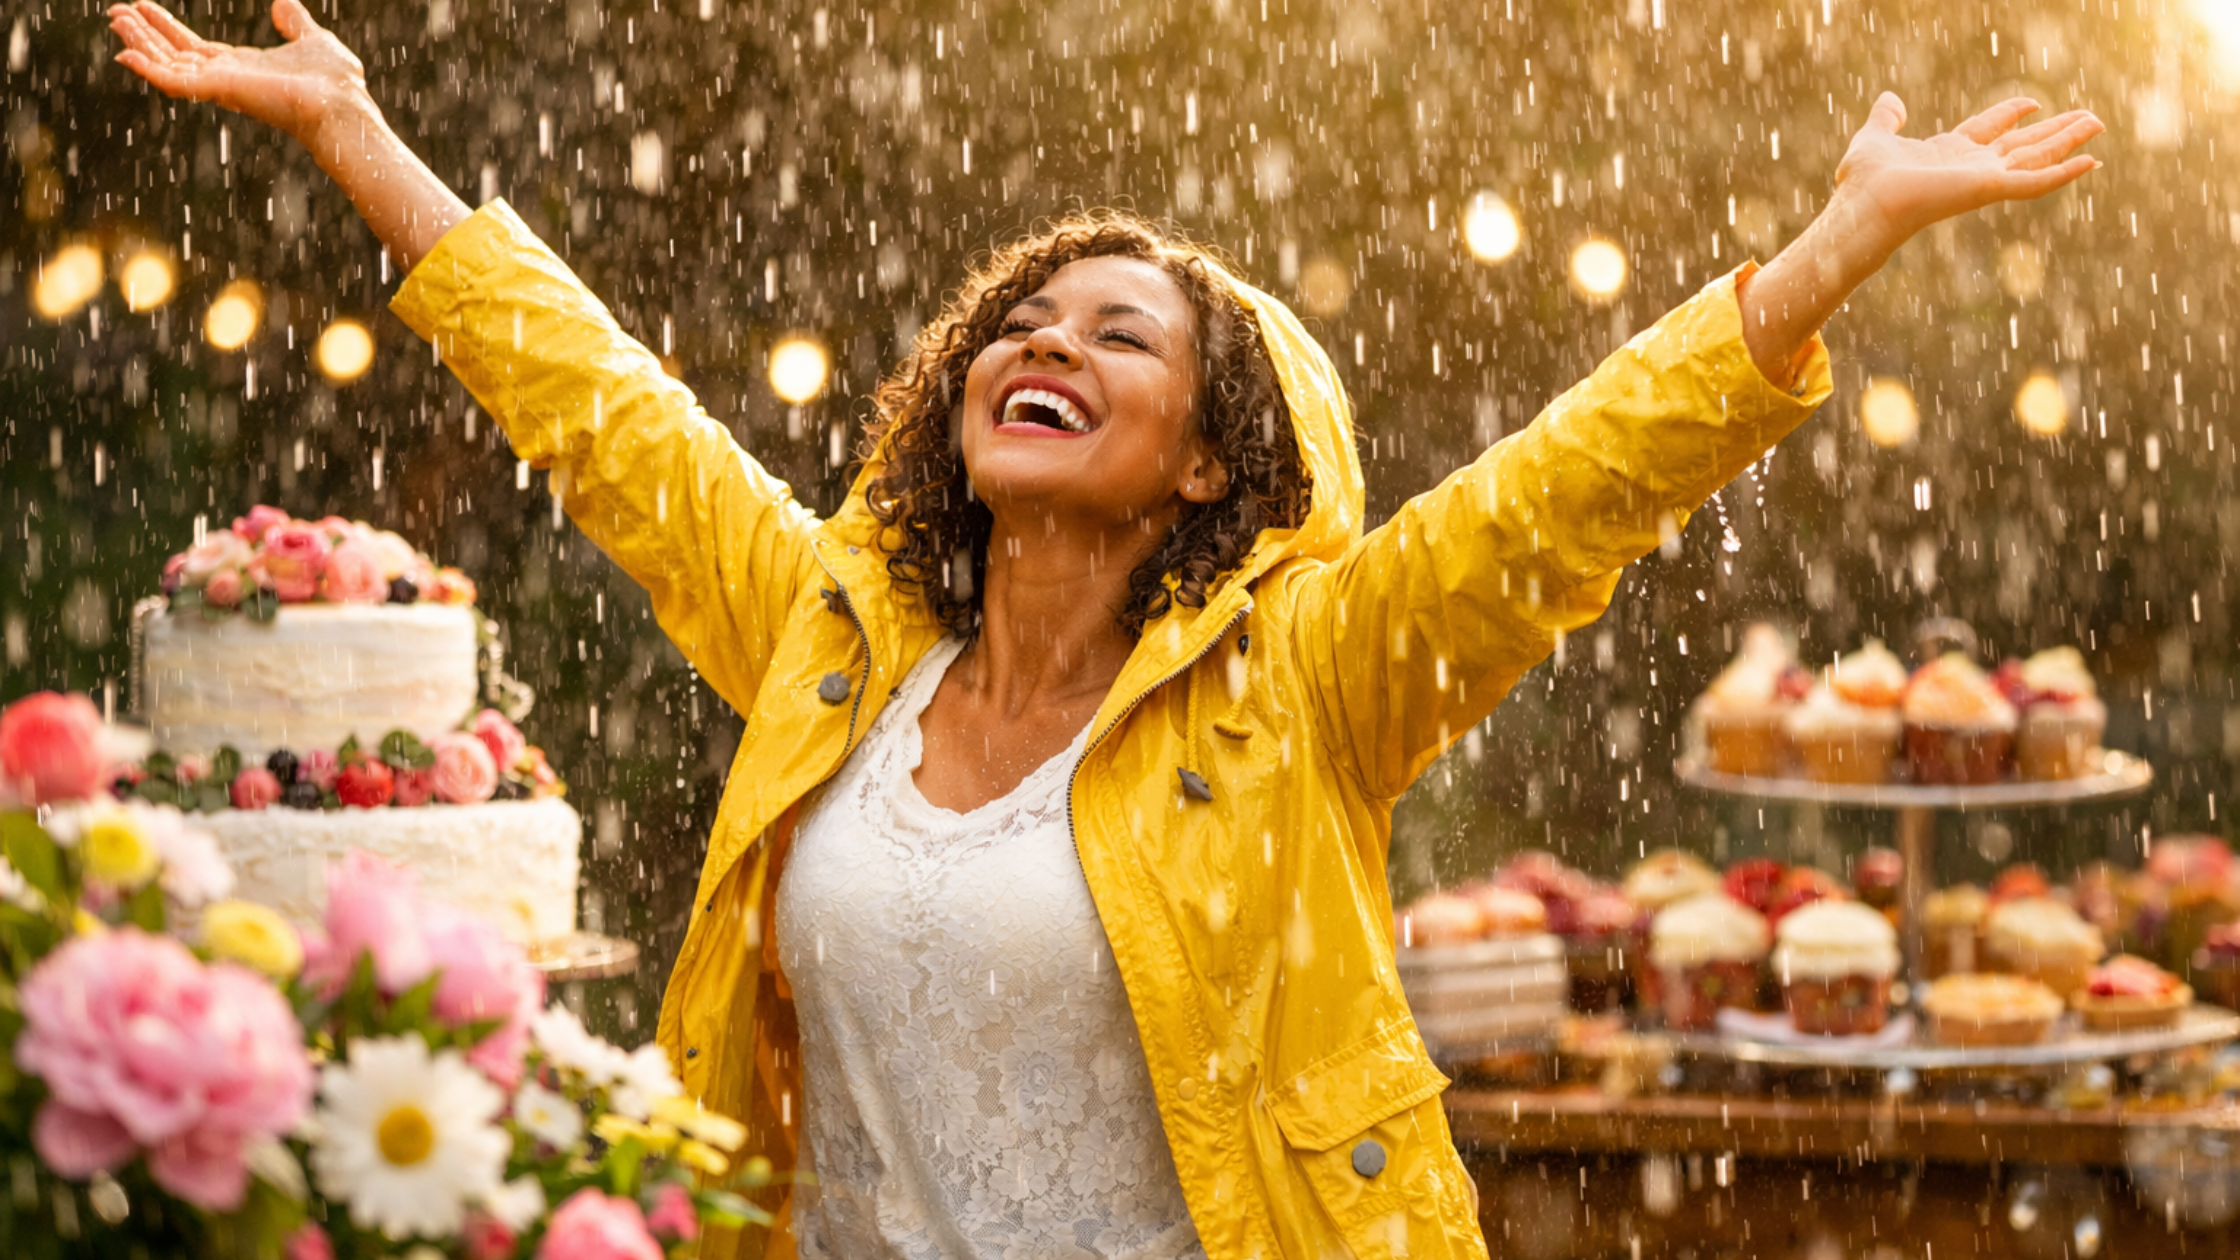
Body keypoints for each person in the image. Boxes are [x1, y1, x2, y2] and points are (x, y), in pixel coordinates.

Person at [110, 3, 2103, 1257]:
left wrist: (1831, 245)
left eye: (1114, 334)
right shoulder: (834, 652)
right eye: (1018, 321)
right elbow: (608, 418)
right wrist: (359, 138)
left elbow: (1568, 488)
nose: (1040, 338)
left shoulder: (1315, 674)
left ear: (1208, 465)